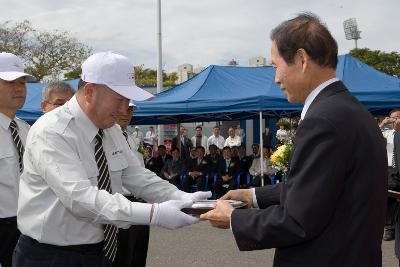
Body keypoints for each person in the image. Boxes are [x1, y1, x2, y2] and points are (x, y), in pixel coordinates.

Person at [201, 13, 387, 266]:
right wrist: (253, 195)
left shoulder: (323, 120)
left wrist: (234, 219)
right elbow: (319, 189)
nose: (276, 78)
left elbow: (298, 221)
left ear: (301, 59)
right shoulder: (352, 111)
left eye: (276, 66)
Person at [14, 51, 211, 267]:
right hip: (50, 256)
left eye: (128, 100)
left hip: (99, 250)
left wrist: (180, 196)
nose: (124, 108)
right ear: (89, 91)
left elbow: (134, 174)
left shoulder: (110, 128)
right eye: (119, 99)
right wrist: (155, 213)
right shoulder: (52, 131)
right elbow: (80, 199)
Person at [0, 52, 35, 267]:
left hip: (30, 224)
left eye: (22, 82)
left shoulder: (27, 129)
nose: (20, 88)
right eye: (11, 81)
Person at [114, 102, 150, 267]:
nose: (125, 113)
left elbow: (140, 167)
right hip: (122, 200)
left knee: (138, 253)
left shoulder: (132, 138)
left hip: (140, 200)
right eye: (122, 108)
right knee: (123, 255)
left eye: (130, 110)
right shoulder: (106, 136)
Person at [380, 109, 400, 242]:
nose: (395, 120)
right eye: (392, 118)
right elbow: (371, 135)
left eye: (397, 117)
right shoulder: (386, 133)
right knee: (389, 199)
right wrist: (382, 124)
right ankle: (389, 228)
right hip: (389, 169)